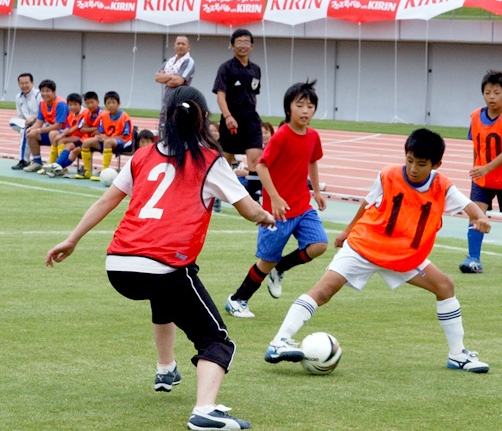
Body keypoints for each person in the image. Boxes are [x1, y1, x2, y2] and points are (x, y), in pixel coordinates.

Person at [45, 86, 274, 431]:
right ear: (203, 120)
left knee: (167, 294)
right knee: (216, 339)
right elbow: (248, 209)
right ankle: (205, 410)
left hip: (119, 265)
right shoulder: (210, 160)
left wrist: (72, 238)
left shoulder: (143, 155)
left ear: (166, 119)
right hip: (163, 264)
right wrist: (266, 217)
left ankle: (166, 369)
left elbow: (106, 202)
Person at [264, 128, 492, 374]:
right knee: (324, 291)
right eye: (410, 160)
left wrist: (481, 218)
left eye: (422, 164)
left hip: (402, 255)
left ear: (436, 164)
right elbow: (368, 202)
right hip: (365, 245)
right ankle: (279, 342)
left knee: (445, 286)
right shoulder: (387, 175)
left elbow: (470, 206)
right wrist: (347, 231)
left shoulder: (443, 186)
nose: (414, 168)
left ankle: (457, 355)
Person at [225, 80, 328, 318]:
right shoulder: (282, 135)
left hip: (302, 205)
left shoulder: (313, 136)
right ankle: (238, 299)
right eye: (300, 105)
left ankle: (281, 268)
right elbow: (261, 167)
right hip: (277, 211)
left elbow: (312, 160)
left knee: (319, 244)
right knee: (266, 262)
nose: (305, 110)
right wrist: (275, 197)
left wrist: (317, 192)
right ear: (288, 108)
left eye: (310, 106)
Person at [459, 70, 502, 273]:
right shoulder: (475, 116)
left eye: (496, 92)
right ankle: (473, 258)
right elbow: (476, 146)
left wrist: (486, 167)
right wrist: (476, 168)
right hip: (482, 179)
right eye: (487, 92)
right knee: (476, 214)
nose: (492, 97)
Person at [212, 29, 263, 201]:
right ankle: (217, 195)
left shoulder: (256, 69)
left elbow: (254, 94)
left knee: (255, 158)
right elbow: (220, 95)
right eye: (239, 42)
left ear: (252, 45)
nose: (243, 46)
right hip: (231, 119)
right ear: (232, 46)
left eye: (246, 42)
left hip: (251, 120)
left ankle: (255, 196)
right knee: (226, 159)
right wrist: (227, 117)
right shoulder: (225, 68)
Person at [76, 91, 133, 181]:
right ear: (105, 105)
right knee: (86, 143)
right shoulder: (104, 116)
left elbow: (125, 136)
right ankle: (87, 171)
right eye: (108, 103)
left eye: (113, 103)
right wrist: (100, 136)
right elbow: (100, 131)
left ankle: (103, 172)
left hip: (122, 142)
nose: (111, 105)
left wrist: (107, 138)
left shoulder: (125, 117)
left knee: (108, 142)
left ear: (119, 104)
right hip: (106, 141)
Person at [22, 79, 69, 172]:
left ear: (54, 92)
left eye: (47, 91)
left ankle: (58, 164)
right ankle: (37, 162)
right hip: (53, 132)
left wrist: (39, 130)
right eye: (42, 91)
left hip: (66, 133)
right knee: (31, 133)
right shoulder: (42, 104)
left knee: (53, 133)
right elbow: (39, 122)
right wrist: (32, 129)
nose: (44, 93)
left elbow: (58, 125)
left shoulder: (60, 104)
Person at [155, 35, 195, 131]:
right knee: (163, 130)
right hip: (167, 102)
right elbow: (157, 77)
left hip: (179, 102)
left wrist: (166, 78)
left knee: (176, 131)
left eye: (183, 44)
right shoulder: (170, 61)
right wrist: (172, 77)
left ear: (189, 47)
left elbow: (179, 81)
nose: (180, 46)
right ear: (174, 46)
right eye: (178, 43)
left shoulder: (189, 62)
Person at [40, 93, 85, 176]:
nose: (73, 107)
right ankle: (53, 164)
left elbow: (76, 127)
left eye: (75, 104)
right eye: (70, 105)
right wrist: (62, 134)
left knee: (61, 140)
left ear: (80, 104)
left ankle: (56, 166)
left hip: (81, 137)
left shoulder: (84, 113)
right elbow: (68, 127)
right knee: (56, 139)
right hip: (73, 136)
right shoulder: (71, 115)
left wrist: (62, 135)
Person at [11, 73, 41, 170]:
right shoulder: (18, 97)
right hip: (26, 123)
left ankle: (24, 161)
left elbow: (43, 112)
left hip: (40, 122)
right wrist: (26, 122)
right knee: (12, 122)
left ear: (32, 83)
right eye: (21, 83)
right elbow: (20, 116)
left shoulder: (38, 94)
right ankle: (25, 159)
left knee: (24, 131)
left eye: (26, 83)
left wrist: (33, 118)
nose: (24, 86)